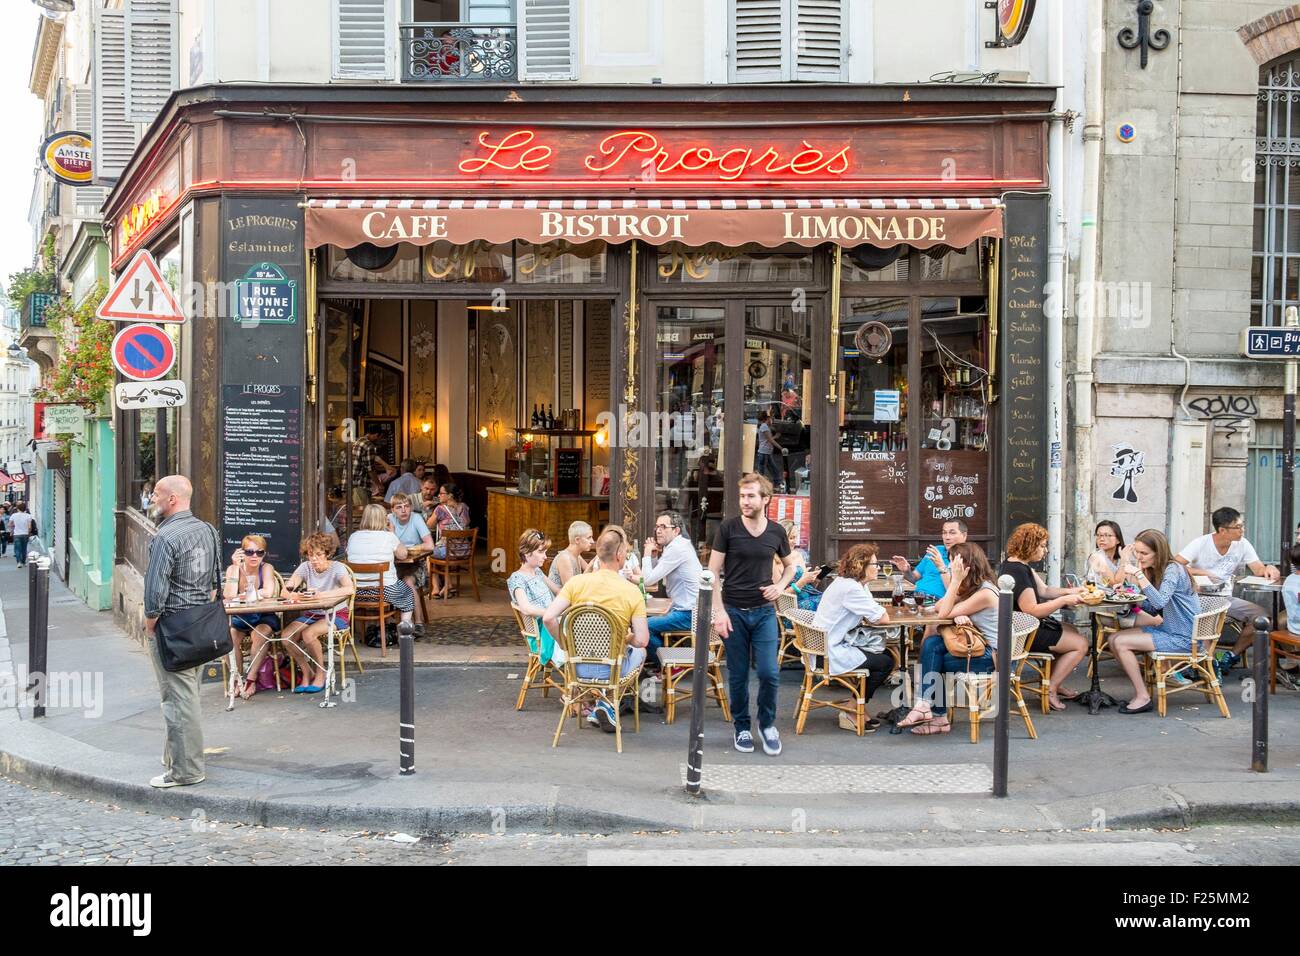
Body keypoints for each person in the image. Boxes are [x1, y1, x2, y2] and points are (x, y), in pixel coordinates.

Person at [709, 472, 799, 756]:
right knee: (737, 675)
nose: (745, 501)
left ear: (765, 499)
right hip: (733, 611)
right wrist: (719, 612)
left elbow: (791, 567)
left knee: (770, 673)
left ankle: (767, 724)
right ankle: (742, 726)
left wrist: (780, 587)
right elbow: (711, 573)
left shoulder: (776, 532)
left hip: (763, 614)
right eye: (742, 496)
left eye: (751, 496)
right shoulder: (728, 528)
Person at [142, 475, 221, 788]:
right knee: (186, 692)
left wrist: (150, 623)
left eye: (157, 495)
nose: (153, 500)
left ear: (172, 498)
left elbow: (155, 590)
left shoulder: (166, 537)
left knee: (177, 698)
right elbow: (216, 582)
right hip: (201, 621)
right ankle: (175, 757)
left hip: (173, 625)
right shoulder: (208, 530)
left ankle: (186, 770)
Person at [543, 529, 649, 733]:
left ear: (598, 554)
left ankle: (604, 705)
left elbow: (548, 617)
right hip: (612, 670)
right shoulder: (631, 591)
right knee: (641, 652)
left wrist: (565, 645)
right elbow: (642, 640)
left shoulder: (576, 583)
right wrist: (626, 637)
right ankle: (608, 703)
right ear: (619, 555)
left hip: (577, 668)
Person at [899, 542, 1001, 735]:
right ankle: (929, 709)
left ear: (966, 566)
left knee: (934, 660)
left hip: (993, 657)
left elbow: (943, 612)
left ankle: (935, 714)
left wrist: (954, 586)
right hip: (976, 646)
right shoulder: (972, 587)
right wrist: (956, 611)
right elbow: (939, 606)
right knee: (932, 643)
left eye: (953, 563)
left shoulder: (985, 593)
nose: (949, 567)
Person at [1108, 529, 1203, 714]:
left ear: (1158, 553)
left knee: (1120, 642)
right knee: (1113, 639)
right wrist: (1129, 594)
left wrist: (1139, 575)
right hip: (1169, 630)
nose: (1139, 557)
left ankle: (1142, 696)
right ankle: (1141, 692)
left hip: (1184, 637)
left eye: (1144, 553)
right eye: (1137, 552)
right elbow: (1153, 608)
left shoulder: (1173, 569)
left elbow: (1159, 601)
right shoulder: (1159, 570)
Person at [999, 523, 1089, 710]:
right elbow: (1032, 610)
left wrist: (1072, 591)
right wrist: (1065, 600)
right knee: (1081, 644)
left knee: (1071, 630)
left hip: (1023, 627)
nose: (1045, 550)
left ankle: (1052, 680)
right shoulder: (1018, 571)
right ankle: (1051, 689)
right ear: (1029, 545)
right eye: (1042, 546)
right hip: (1023, 633)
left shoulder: (1018, 564)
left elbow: (1045, 590)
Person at [1175, 506, 1279, 668]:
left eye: (1242, 526)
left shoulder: (1242, 544)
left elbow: (1259, 569)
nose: (1242, 530)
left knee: (1262, 618)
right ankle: (1205, 664)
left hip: (1225, 598)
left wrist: (1270, 568)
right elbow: (1174, 565)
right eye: (1237, 527)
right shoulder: (1201, 543)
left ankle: (1230, 656)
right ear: (1222, 530)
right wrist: (1200, 572)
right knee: (1206, 621)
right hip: (1199, 598)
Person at [257, 532, 356, 698]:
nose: (314, 559)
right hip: (314, 613)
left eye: (318, 554)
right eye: (311, 555)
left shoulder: (337, 568)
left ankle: (321, 673)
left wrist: (321, 595)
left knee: (308, 634)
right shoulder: (305, 567)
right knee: (286, 636)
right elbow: (285, 590)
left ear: (328, 553)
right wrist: (294, 595)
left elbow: (349, 589)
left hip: (336, 613)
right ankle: (306, 671)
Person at [811, 543, 894, 732]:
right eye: (875, 564)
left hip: (823, 646)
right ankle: (852, 708)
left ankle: (858, 706)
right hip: (828, 653)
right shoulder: (852, 589)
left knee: (883, 655)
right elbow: (883, 618)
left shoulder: (848, 583)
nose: (878, 568)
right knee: (886, 662)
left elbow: (871, 612)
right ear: (861, 566)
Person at [634, 510, 702, 660]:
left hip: (689, 613)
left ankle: (668, 665)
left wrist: (645, 553)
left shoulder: (677, 548)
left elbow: (647, 580)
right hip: (688, 610)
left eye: (664, 527)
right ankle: (667, 661)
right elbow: (656, 573)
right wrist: (653, 557)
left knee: (643, 626)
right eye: (657, 526)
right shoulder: (676, 546)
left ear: (676, 530)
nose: (658, 530)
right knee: (645, 620)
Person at [346, 504, 416, 643]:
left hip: (357, 593)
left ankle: (361, 634)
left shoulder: (353, 537)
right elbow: (403, 555)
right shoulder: (389, 537)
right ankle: (404, 635)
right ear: (384, 520)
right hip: (385, 591)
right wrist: (393, 533)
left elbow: (349, 555)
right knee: (408, 594)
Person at [223, 534, 280, 681]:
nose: (254, 556)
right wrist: (236, 567)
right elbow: (228, 595)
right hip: (241, 616)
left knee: (259, 635)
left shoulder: (266, 567)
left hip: (263, 615)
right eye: (249, 552)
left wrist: (247, 594)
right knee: (228, 638)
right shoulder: (232, 569)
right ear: (242, 553)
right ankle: (237, 679)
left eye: (259, 552)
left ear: (264, 554)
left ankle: (251, 679)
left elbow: (268, 592)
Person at [507, 529, 567, 668]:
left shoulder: (537, 572)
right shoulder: (517, 578)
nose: (545, 556)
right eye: (541, 552)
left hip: (553, 625)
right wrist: (554, 613)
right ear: (527, 553)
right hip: (541, 636)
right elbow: (526, 609)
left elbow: (559, 591)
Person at [388, 493, 434, 633]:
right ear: (392, 510)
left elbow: (430, 546)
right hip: (394, 566)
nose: (403, 510)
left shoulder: (416, 518)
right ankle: (387, 621)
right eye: (399, 507)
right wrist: (392, 534)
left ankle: (418, 622)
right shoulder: (389, 520)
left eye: (407, 506)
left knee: (408, 582)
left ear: (411, 508)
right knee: (386, 582)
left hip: (415, 565)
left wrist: (409, 549)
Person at [891, 519, 968, 602]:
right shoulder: (935, 551)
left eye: (952, 533)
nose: (947, 537)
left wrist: (941, 567)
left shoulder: (968, 557)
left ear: (964, 536)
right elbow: (914, 579)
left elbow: (956, 594)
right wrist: (906, 571)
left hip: (937, 602)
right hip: (915, 597)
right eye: (944, 533)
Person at [428, 482, 472, 598]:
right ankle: (448, 585)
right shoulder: (464, 507)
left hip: (448, 551)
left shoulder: (440, 509)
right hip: (465, 550)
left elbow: (429, 525)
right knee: (439, 552)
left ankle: (436, 587)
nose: (439, 495)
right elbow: (466, 523)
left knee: (427, 555)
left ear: (450, 496)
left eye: (441, 493)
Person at [778, 518, 823, 611]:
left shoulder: (798, 555)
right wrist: (803, 581)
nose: (795, 541)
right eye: (791, 538)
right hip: (792, 607)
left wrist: (815, 579)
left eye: (796, 537)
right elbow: (780, 596)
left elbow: (807, 588)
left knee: (832, 600)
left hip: (810, 598)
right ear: (781, 539)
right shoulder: (774, 560)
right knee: (828, 604)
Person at [350, 426, 391, 507]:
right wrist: (379, 485)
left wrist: (385, 466)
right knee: (364, 512)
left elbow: (364, 462)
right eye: (379, 437)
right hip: (361, 484)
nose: (379, 440)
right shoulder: (369, 445)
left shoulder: (358, 441)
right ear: (376, 435)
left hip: (353, 483)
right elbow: (370, 469)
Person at [549, 521, 593, 587]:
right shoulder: (564, 558)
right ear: (577, 540)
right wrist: (590, 566)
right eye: (589, 537)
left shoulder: (577, 556)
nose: (592, 541)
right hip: (559, 596)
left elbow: (592, 573)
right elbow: (570, 590)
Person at [1087, 520, 1127, 587]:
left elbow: (1134, 584)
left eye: (1107, 535)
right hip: (1098, 596)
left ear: (1118, 540)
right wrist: (1124, 561)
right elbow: (1116, 585)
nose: (1101, 539)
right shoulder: (1096, 557)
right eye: (1098, 535)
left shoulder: (1120, 559)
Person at [754, 410, 786, 490]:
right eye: (771, 418)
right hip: (764, 452)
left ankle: (776, 484)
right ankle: (764, 487)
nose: (772, 420)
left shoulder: (764, 426)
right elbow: (770, 440)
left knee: (773, 469)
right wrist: (781, 448)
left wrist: (775, 435)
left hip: (766, 452)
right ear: (767, 418)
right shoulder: (764, 426)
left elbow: (768, 439)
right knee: (763, 471)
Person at [8, 503, 35, 567]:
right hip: (25, 534)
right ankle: (23, 562)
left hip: (17, 534)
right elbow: (29, 527)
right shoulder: (28, 516)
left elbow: (9, 524)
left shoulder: (14, 515)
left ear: (17, 508)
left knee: (17, 549)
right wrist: (28, 533)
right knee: (24, 548)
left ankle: (18, 562)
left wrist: (12, 530)